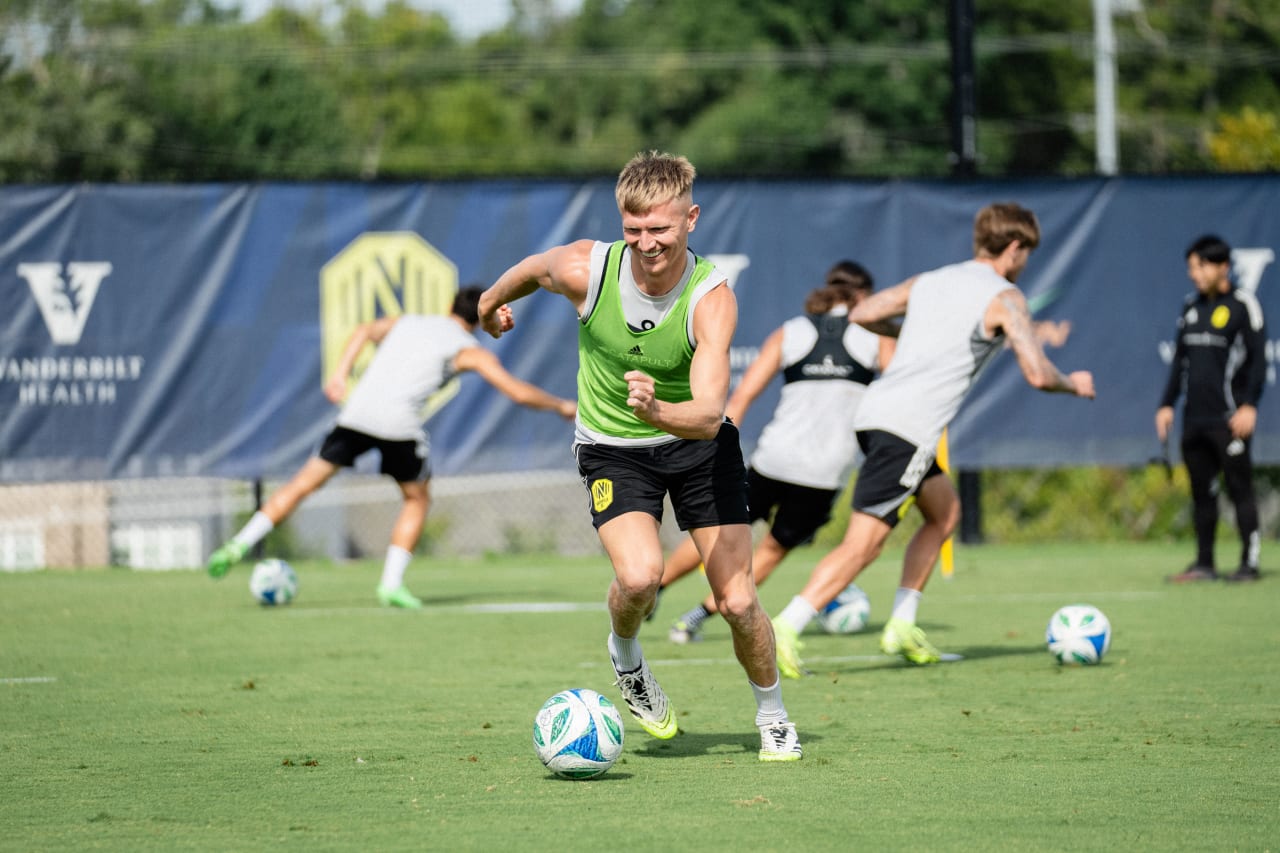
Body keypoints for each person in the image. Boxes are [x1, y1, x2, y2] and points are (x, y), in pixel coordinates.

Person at [476, 150, 802, 762]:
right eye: (634, 229)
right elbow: (529, 270)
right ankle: (626, 658)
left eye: (661, 228)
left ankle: (773, 715)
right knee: (639, 577)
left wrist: (657, 412)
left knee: (736, 601)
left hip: (700, 448)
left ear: (691, 219)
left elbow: (708, 416)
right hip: (612, 449)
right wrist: (488, 306)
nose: (647, 243)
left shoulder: (711, 299)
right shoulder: (586, 269)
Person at [770, 202, 1096, 678]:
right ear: (1014, 247)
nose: (1026, 262)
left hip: (877, 415)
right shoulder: (1006, 298)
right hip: (909, 427)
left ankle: (902, 625)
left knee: (945, 513)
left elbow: (862, 313)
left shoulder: (933, 280)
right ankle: (786, 625)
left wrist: (916, 333)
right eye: (1027, 252)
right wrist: (1074, 383)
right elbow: (1037, 373)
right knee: (864, 544)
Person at [205, 286, 577, 607]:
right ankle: (391, 583)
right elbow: (514, 390)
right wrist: (561, 405)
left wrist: (339, 374)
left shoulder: (408, 322)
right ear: (479, 319)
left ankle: (239, 544)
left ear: (449, 306)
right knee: (416, 499)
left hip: (356, 415)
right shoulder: (467, 348)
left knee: (303, 484)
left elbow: (365, 330)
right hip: (398, 426)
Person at [660, 262, 895, 644]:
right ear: (863, 297)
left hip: (773, 459)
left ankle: (658, 587)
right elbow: (900, 384)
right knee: (771, 550)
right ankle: (694, 619)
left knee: (719, 533)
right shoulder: (875, 336)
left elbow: (744, 394)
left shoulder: (792, 331)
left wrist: (715, 444)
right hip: (824, 472)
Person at [1156, 234, 1266, 583]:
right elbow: (1179, 363)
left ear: (1222, 267)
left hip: (1229, 418)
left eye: (1200, 266)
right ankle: (1205, 563)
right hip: (1194, 418)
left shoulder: (1243, 305)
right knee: (1202, 493)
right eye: (1190, 267)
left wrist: (1249, 406)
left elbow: (1259, 362)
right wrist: (1166, 404)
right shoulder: (1190, 307)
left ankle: (1248, 564)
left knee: (1239, 488)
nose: (1194, 274)